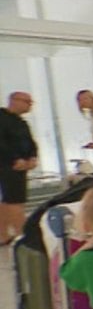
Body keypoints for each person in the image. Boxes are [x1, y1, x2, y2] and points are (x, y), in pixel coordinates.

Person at [1, 91, 37, 244]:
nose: (30, 105)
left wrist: (32, 157)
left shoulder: (21, 123)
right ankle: (22, 236)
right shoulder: (2, 119)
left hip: (20, 166)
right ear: (14, 101)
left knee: (8, 201)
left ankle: (3, 235)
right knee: (14, 201)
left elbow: (30, 142)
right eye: (26, 101)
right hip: (7, 166)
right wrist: (14, 159)